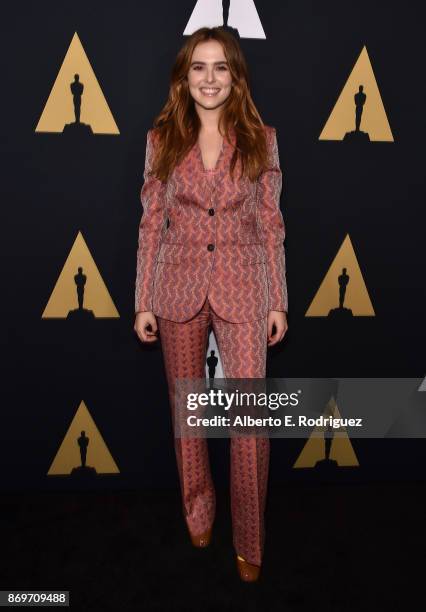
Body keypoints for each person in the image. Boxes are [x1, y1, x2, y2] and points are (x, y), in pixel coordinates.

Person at [134, 26, 288, 582]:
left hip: (246, 287)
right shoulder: (161, 140)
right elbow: (151, 224)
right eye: (198, 67)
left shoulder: (262, 138)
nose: (209, 78)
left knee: (249, 425)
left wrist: (278, 300)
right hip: (175, 286)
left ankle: (250, 540)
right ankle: (198, 511)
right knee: (189, 415)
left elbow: (272, 226)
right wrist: (143, 299)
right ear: (184, 77)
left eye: (220, 67)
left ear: (235, 76)